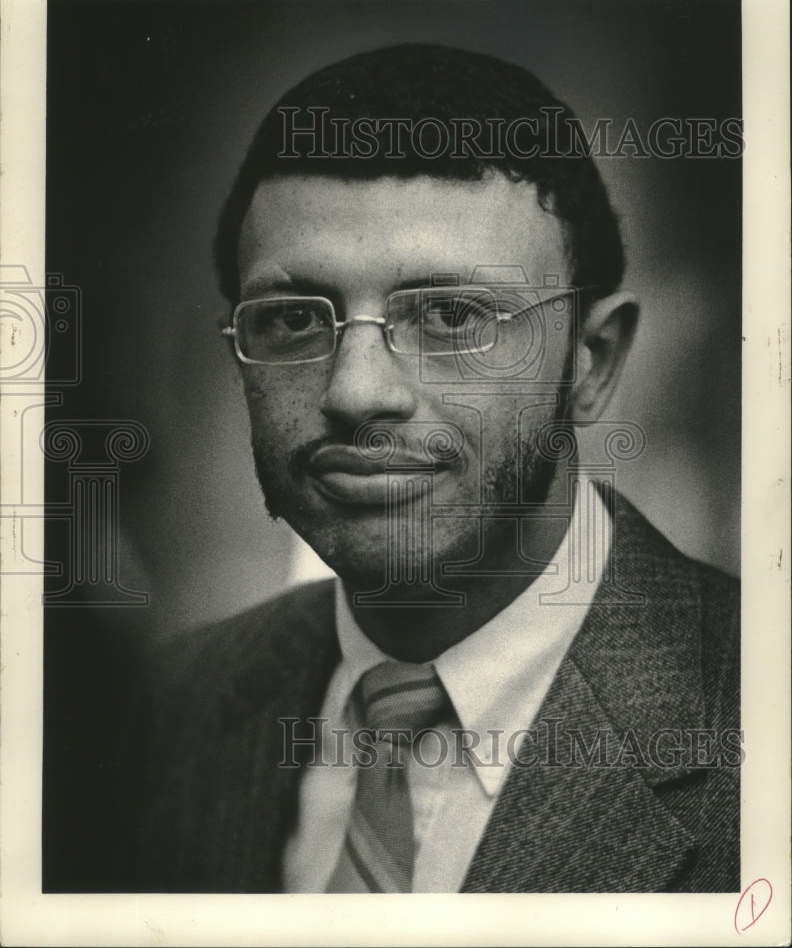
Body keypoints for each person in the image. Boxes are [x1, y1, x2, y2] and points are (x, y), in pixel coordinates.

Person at [126, 44, 740, 893]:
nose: (356, 391)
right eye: (294, 320)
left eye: (452, 315)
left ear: (592, 361)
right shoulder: (176, 705)